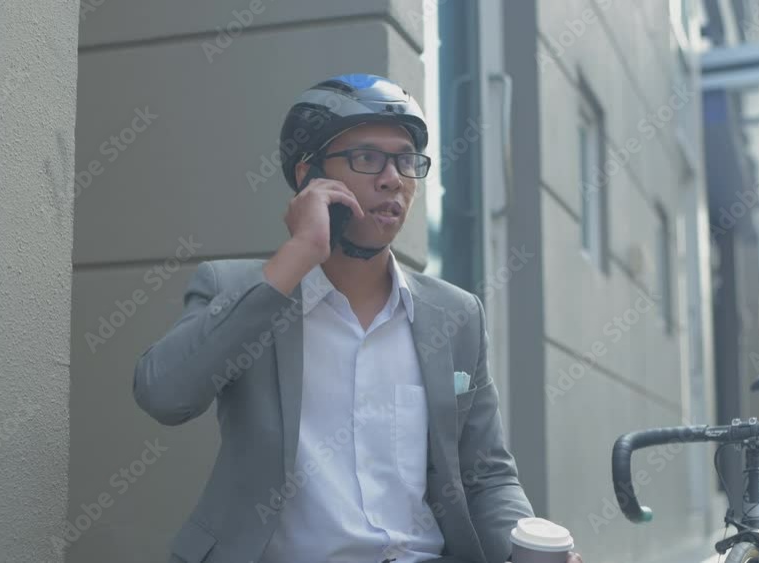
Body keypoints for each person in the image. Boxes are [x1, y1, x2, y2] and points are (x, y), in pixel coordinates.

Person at [133, 73, 583, 563]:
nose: (393, 178)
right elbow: (165, 395)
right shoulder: (239, 289)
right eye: (367, 158)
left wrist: (524, 548)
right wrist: (300, 251)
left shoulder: (456, 315)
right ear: (308, 176)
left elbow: (486, 476)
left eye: (406, 160)